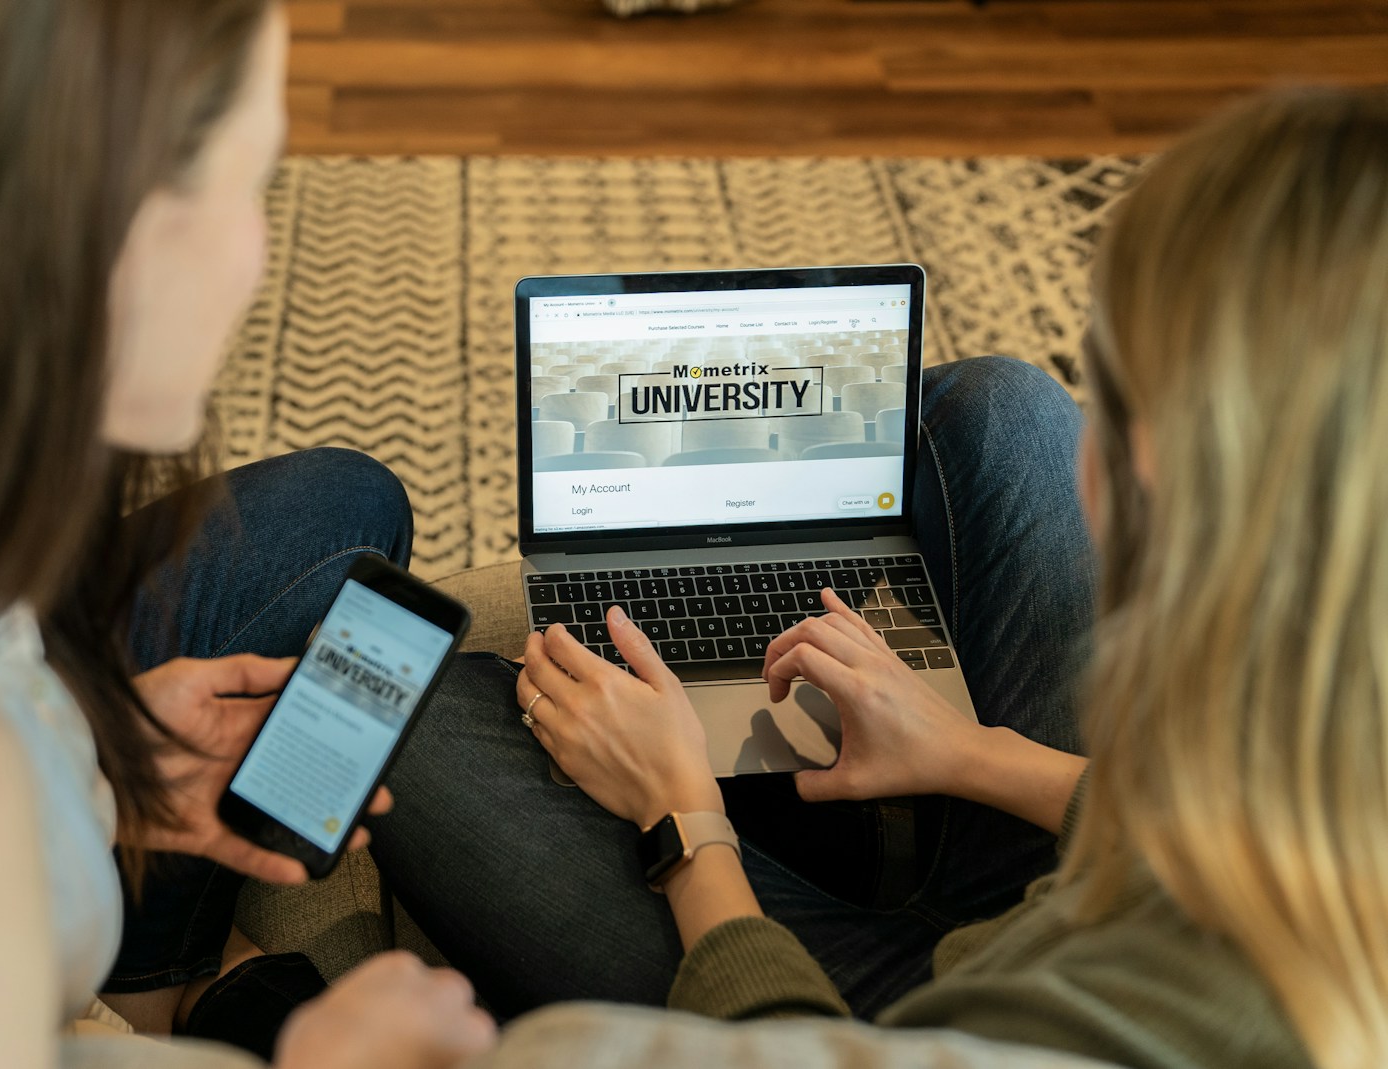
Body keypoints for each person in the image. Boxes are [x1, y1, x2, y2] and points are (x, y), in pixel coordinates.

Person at [371, 87, 1388, 1069]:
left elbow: (800, 1048)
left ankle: (796, 836)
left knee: (404, 713)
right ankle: (860, 827)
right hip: (1069, 872)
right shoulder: (1321, 755)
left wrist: (682, 811)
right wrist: (973, 752)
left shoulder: (1111, 1018)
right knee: (1002, 405)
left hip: (867, 1013)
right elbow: (1210, 839)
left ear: (1154, 459)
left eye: (1108, 377)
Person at [0, 1, 494, 1066]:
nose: (263, 257)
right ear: (100, 228)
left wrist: (85, 757)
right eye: (255, 184)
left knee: (346, 504)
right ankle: (173, 992)